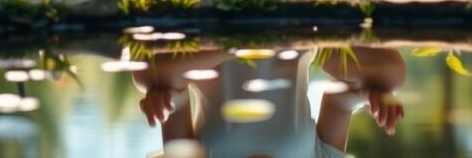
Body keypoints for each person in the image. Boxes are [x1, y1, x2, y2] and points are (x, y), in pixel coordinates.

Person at [132, 45, 407, 157]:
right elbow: (338, 103)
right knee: (391, 74)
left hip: (217, 43)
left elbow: (174, 98)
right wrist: (369, 96)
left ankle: (240, 40)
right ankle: (301, 15)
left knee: (146, 73)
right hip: (294, 37)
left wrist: (162, 98)